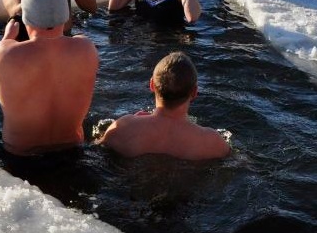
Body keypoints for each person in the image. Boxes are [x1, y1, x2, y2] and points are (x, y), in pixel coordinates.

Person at [0, 0, 99, 156]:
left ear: (25, 14)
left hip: (20, 158)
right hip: (72, 153)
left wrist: (6, 39)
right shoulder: (86, 48)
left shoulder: (5, 53)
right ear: (65, 13)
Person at [97, 51, 231, 160]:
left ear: (151, 85)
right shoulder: (212, 143)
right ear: (195, 92)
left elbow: (95, 150)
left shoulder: (123, 128)